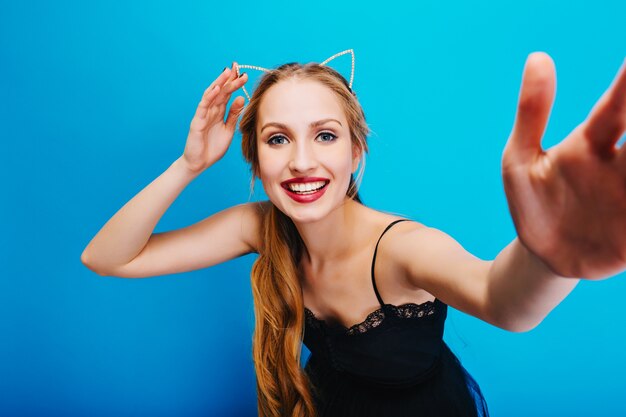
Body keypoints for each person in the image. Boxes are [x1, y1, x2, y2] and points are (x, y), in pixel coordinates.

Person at [81, 50, 626, 417]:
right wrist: (189, 165)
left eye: (324, 135)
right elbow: (108, 258)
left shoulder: (400, 248)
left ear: (355, 152)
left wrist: (552, 258)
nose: (301, 161)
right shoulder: (260, 227)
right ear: (254, 158)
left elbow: (504, 302)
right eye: (277, 140)